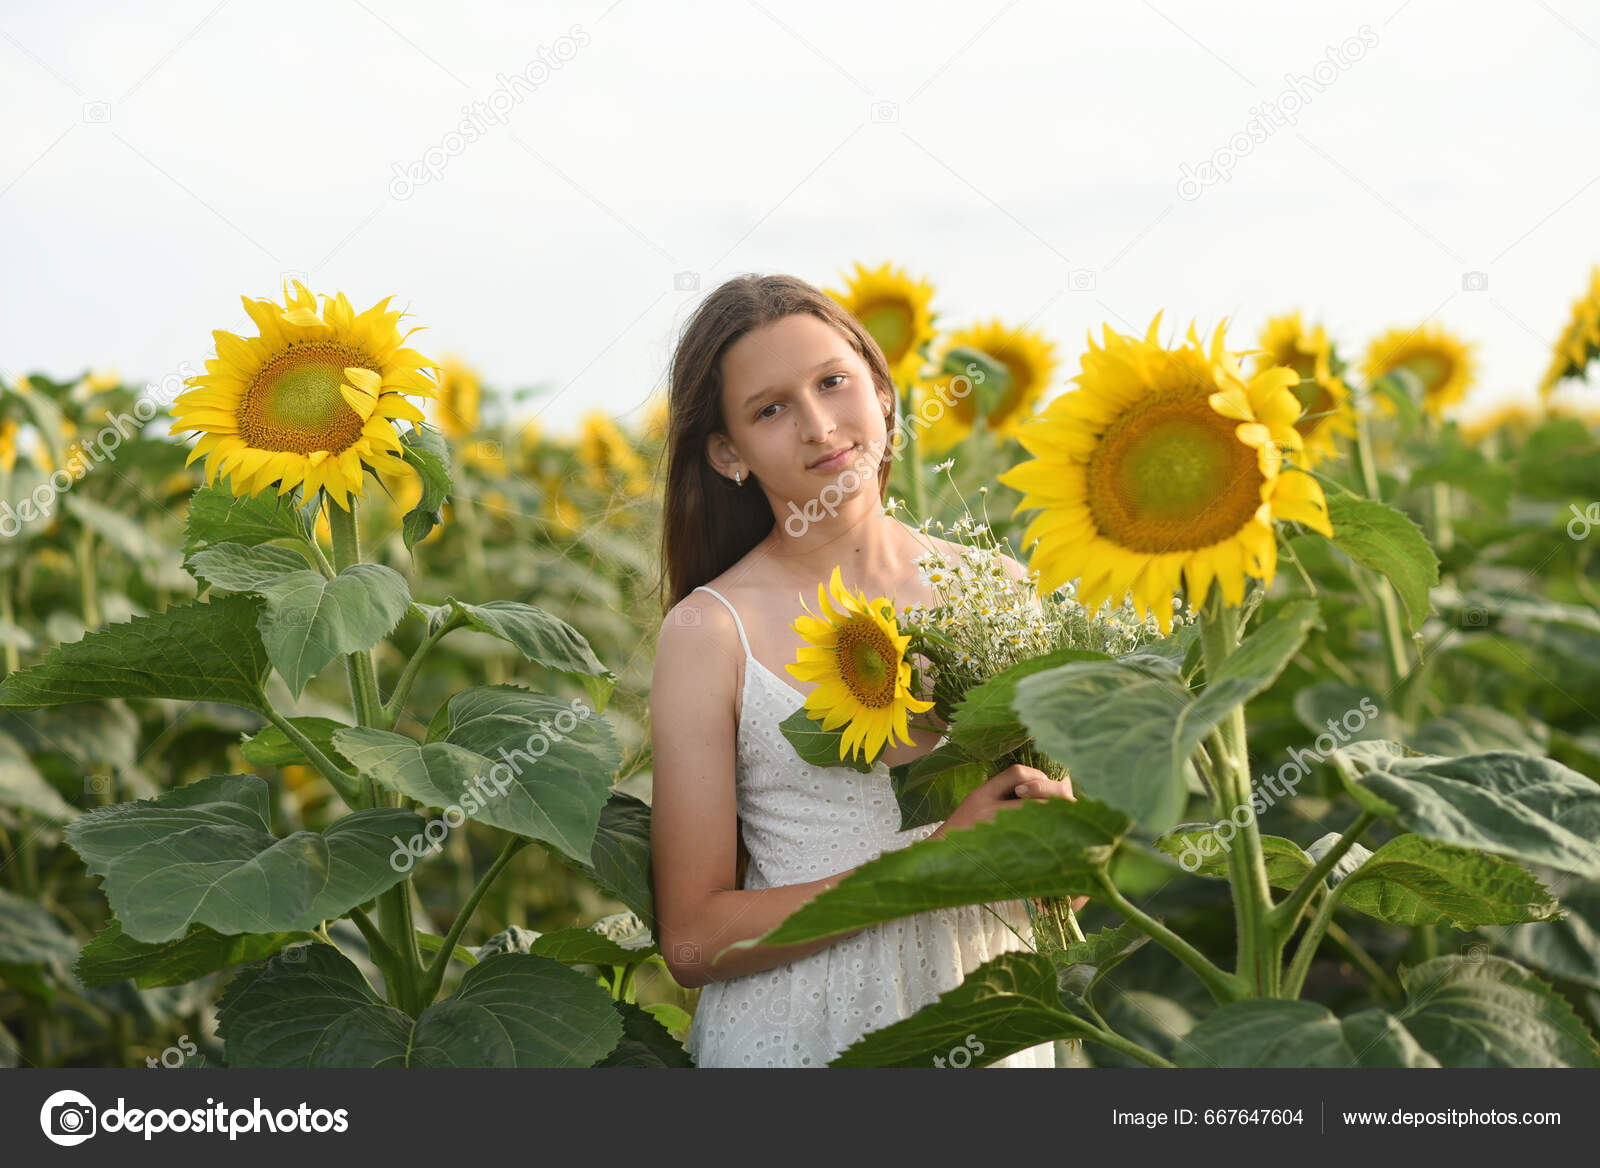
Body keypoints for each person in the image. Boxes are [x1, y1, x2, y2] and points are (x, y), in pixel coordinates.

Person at [649, 273, 1085, 1068]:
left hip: (986, 1020)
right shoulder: (711, 632)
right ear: (726, 453)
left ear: (883, 393)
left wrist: (1062, 837)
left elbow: (1062, 894)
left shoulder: (1001, 591)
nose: (819, 426)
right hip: (802, 1032)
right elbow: (691, 940)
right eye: (770, 410)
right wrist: (927, 865)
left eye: (833, 382)